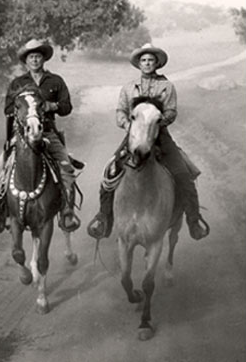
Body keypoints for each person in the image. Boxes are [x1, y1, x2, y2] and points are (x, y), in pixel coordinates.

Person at [87, 43, 210, 241]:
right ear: (138, 64)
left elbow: (171, 111)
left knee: (183, 173)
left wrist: (158, 122)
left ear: (157, 63)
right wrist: (129, 126)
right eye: (143, 60)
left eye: (151, 60)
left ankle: (193, 221)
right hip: (133, 136)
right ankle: (104, 218)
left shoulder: (167, 87)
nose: (147, 63)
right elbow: (120, 110)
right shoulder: (128, 88)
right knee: (110, 172)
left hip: (159, 136)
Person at [0, 39, 81, 234]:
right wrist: (23, 109)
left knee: (67, 168)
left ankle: (67, 212)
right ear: (26, 61)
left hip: (48, 133)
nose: (35, 60)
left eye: (38, 56)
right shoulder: (18, 83)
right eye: (31, 57)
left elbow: (67, 107)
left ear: (43, 59)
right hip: (21, 135)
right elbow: (8, 108)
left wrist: (52, 106)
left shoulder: (56, 81)